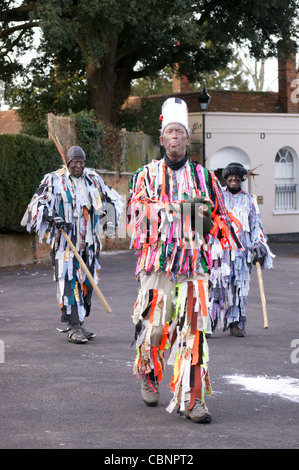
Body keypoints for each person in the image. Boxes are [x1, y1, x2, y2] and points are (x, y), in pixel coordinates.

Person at [127, 97, 241, 423]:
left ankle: (193, 400)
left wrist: (210, 228)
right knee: (154, 325)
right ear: (161, 140)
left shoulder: (206, 177)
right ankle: (148, 370)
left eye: (180, 132)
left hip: (194, 266)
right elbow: (137, 217)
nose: (175, 138)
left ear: (188, 139)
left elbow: (216, 218)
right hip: (156, 263)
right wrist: (182, 212)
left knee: (194, 331)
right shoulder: (145, 176)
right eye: (169, 133)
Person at [21, 145, 122, 344]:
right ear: (67, 162)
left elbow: (111, 198)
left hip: (90, 244)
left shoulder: (93, 179)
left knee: (88, 284)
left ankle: (80, 323)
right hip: (65, 245)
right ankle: (73, 326)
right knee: (70, 283)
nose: (78, 166)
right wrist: (52, 217)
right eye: (75, 162)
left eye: (82, 162)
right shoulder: (53, 179)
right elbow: (36, 203)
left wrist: (108, 220)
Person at [208, 162, 274, 337]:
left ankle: (234, 323)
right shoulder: (217, 197)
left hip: (241, 255)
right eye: (230, 176)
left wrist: (259, 245)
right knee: (216, 287)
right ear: (226, 178)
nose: (233, 179)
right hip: (220, 252)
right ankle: (209, 324)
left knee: (237, 288)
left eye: (237, 176)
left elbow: (256, 224)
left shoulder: (249, 200)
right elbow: (209, 221)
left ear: (242, 178)